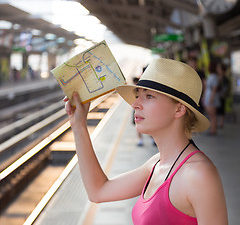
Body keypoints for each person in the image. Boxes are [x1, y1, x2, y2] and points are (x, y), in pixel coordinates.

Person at [64, 58, 228, 224]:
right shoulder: (156, 164)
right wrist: (78, 126)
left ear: (179, 109)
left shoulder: (198, 174)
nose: (135, 104)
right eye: (138, 95)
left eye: (149, 96)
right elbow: (98, 192)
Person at [203, 62, 220, 135]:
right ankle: (213, 129)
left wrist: (211, 98)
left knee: (212, 115)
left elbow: (214, 88)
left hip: (211, 97)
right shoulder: (212, 76)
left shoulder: (214, 77)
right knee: (211, 115)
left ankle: (213, 130)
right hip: (209, 95)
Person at [217, 64, 230, 128]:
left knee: (222, 108)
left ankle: (221, 122)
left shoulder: (225, 78)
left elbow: (225, 88)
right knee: (219, 108)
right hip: (219, 95)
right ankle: (219, 122)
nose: (218, 70)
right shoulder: (220, 77)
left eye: (219, 69)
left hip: (222, 96)